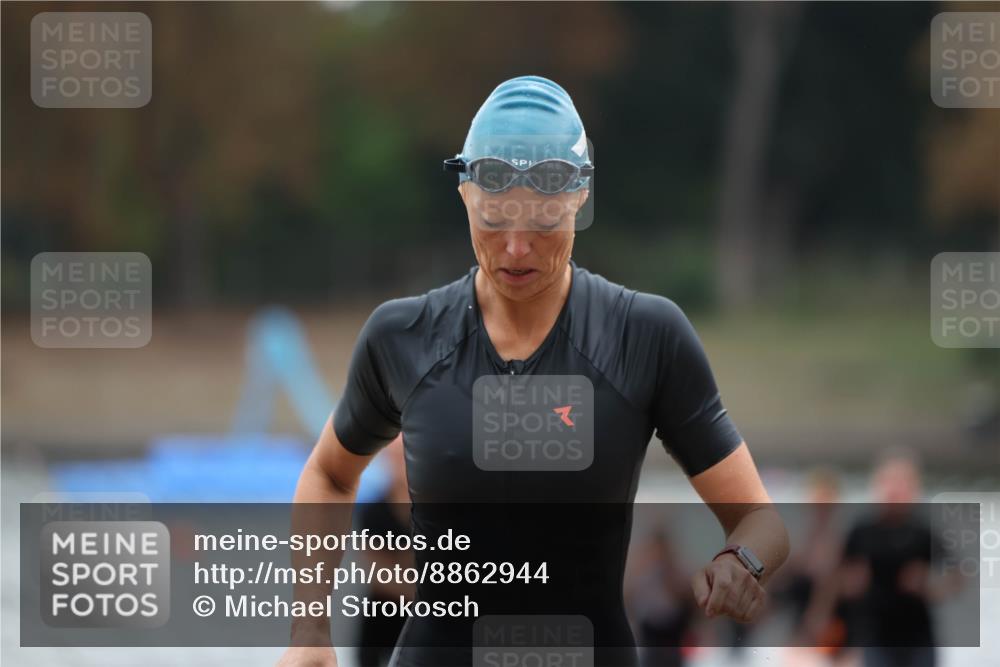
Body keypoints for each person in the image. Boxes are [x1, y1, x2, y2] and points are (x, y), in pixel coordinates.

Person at [277, 75, 789, 667]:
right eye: (494, 221)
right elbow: (329, 475)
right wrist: (310, 633)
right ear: (465, 195)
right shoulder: (403, 337)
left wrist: (740, 561)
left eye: (543, 224)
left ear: (579, 198)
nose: (516, 249)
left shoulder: (645, 335)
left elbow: (761, 520)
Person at [354, 437, 413, 667]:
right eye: (398, 456)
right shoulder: (374, 513)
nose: (403, 463)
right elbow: (380, 575)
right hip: (385, 619)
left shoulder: (441, 511)